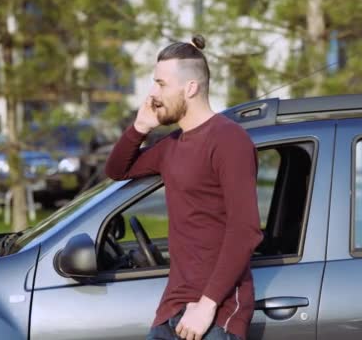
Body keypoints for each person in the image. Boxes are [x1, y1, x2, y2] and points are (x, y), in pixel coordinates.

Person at [105, 35, 263, 340]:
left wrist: (207, 306)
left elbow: (245, 229)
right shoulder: (171, 146)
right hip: (172, 308)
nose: (152, 94)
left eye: (161, 84)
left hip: (217, 315)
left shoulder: (229, 140)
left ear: (190, 88)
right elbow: (117, 170)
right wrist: (140, 127)